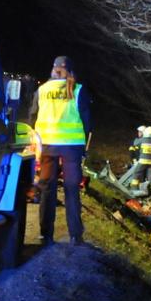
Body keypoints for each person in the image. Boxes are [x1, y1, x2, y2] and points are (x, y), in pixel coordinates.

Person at [30, 55, 92, 246]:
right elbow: (86, 120)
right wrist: (84, 145)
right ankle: (75, 235)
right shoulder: (77, 89)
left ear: (53, 70)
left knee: (47, 189)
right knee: (71, 189)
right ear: (70, 71)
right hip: (71, 148)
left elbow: (32, 116)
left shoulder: (42, 90)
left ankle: (45, 235)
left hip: (47, 146)